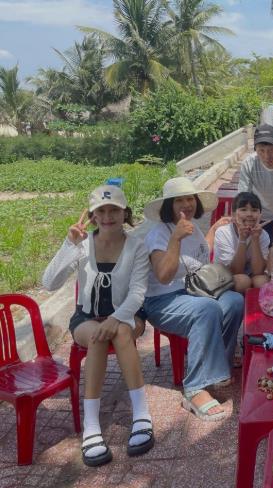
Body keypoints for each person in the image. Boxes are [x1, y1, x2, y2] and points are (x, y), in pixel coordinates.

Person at [42, 185, 153, 467]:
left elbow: (138, 293)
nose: (107, 216)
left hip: (128, 315)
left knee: (121, 331)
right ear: (92, 216)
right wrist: (69, 245)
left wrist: (116, 318)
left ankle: (142, 414)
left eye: (114, 210)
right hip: (86, 317)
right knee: (98, 337)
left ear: (125, 213)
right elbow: (49, 283)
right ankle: (91, 426)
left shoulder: (137, 246)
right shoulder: (82, 245)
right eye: (100, 211)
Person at [142, 177, 244, 421]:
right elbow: (164, 276)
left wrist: (212, 230)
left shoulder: (194, 229)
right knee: (207, 309)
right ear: (169, 205)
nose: (186, 204)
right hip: (162, 301)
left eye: (190, 198)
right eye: (179, 200)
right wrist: (175, 239)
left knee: (234, 301)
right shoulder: (159, 234)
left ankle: (220, 367)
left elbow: (199, 260)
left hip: (194, 293)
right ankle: (194, 389)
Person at [213, 192, 269, 293]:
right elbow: (236, 271)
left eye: (254, 210)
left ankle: (253, 302)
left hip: (249, 275)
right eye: (243, 210)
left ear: (260, 215)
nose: (249, 214)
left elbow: (258, 271)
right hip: (224, 276)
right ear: (233, 215)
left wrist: (255, 239)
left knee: (262, 281)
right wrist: (242, 239)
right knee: (243, 281)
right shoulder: (223, 232)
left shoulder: (263, 234)